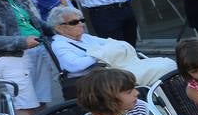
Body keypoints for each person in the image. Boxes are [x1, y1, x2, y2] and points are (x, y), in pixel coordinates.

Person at [47, 5, 175, 84]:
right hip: (96, 80)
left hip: (113, 71)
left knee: (166, 63)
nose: (81, 24)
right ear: (59, 28)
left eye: (82, 20)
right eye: (74, 22)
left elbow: (115, 43)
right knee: (159, 69)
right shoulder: (59, 44)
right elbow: (74, 66)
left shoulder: (85, 37)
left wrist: (103, 51)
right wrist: (100, 53)